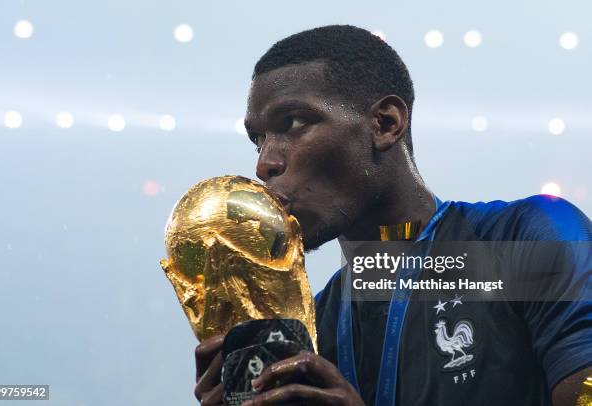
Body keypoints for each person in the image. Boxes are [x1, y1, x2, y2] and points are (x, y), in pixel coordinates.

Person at [193, 25, 591, 405]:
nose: (265, 164)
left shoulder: (528, 242)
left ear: (385, 124)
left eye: (293, 123)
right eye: (258, 139)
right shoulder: (313, 330)